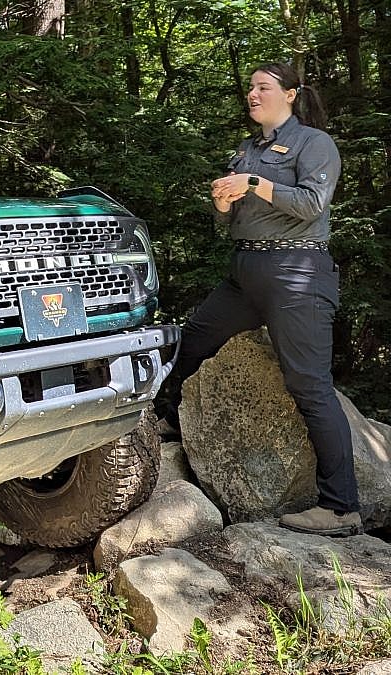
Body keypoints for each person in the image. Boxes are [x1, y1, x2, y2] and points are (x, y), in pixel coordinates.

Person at [159, 62, 361, 537]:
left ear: (290, 94)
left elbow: (312, 204)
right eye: (250, 87)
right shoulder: (247, 149)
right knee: (192, 342)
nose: (252, 94)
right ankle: (173, 421)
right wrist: (223, 203)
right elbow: (231, 222)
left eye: (263, 87)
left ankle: (340, 507)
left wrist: (253, 183)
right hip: (245, 273)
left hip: (298, 273)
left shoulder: (315, 143)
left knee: (309, 384)